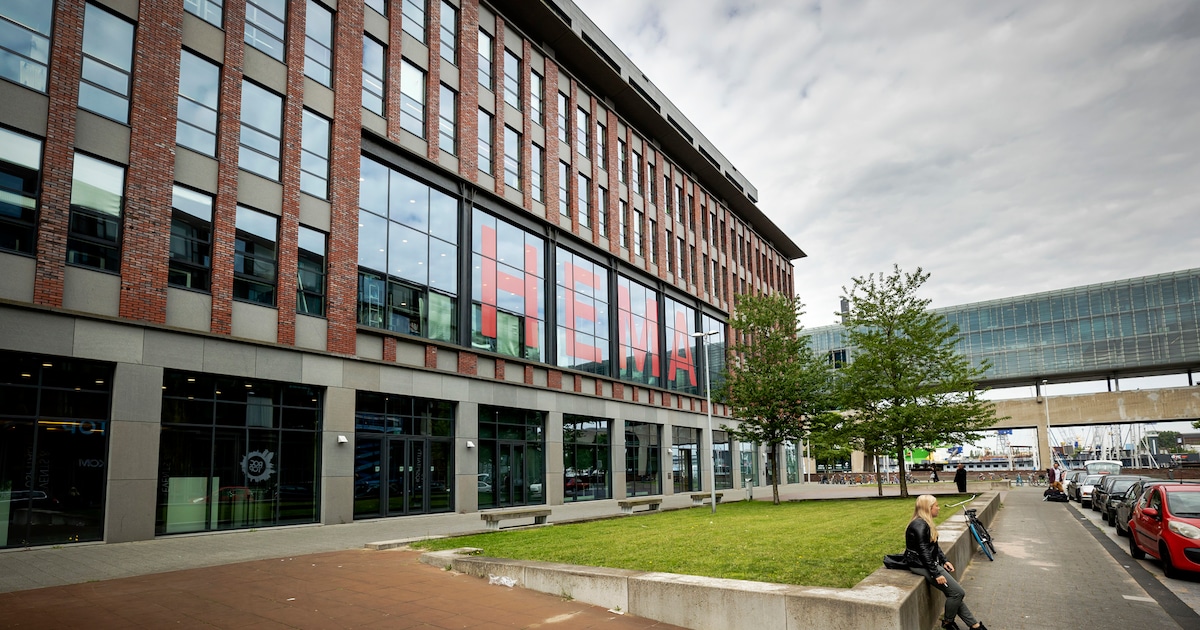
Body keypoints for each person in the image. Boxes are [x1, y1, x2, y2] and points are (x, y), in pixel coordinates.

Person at [905, 495, 987, 630]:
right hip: (921, 564)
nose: (938, 508)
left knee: (954, 594)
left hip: (929, 563)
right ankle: (948, 623)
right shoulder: (919, 525)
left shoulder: (925, 522)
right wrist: (936, 574)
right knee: (957, 593)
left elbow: (934, 546)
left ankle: (975, 625)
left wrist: (944, 560)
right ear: (928, 508)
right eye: (936, 506)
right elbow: (924, 552)